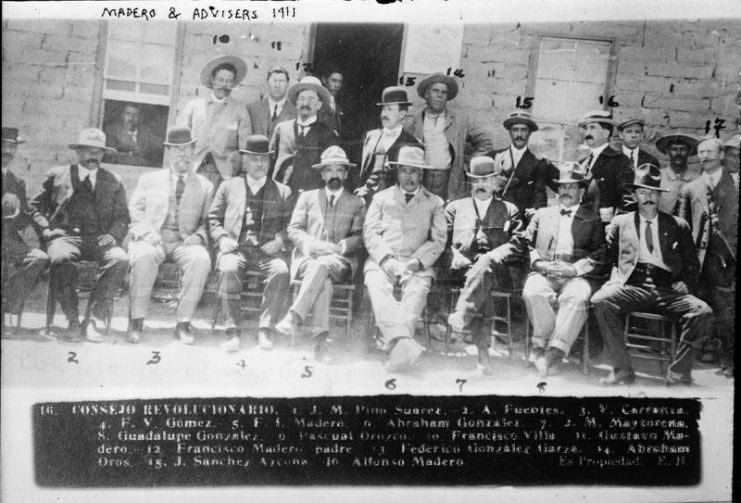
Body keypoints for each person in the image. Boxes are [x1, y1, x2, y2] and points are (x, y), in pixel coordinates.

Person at [592, 163, 713, 385]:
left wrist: (685, 282)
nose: (648, 197)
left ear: (659, 196)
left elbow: (692, 264)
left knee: (702, 312)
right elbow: (607, 258)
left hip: (667, 289)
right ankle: (622, 370)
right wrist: (613, 280)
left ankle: (678, 374)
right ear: (635, 195)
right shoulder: (621, 223)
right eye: (643, 192)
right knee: (600, 301)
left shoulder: (678, 225)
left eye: (653, 192)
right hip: (632, 285)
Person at [32, 128, 130, 342]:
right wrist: (47, 230)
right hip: (65, 237)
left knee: (120, 260)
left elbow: (123, 216)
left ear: (103, 155)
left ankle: (93, 319)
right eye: (88, 151)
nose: (93, 156)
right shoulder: (57, 175)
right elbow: (35, 207)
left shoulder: (113, 180)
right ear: (78, 152)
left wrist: (114, 234)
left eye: (98, 152)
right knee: (60, 259)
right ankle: (72, 319)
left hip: (99, 239)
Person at [275, 146, 366, 363]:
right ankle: (320, 343)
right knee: (322, 278)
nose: (334, 174)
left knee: (323, 267)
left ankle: (294, 315)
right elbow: (294, 229)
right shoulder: (307, 198)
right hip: (309, 259)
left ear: (345, 174)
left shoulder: (357, 203)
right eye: (329, 170)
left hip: (340, 262)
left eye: (339, 170)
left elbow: (360, 236)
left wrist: (339, 247)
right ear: (322, 174)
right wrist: (312, 245)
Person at [126, 126, 214, 344]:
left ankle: (183, 323)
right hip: (153, 238)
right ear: (168, 152)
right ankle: (136, 321)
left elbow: (210, 221)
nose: (182, 154)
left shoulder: (205, 185)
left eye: (187, 149)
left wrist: (200, 237)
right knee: (143, 256)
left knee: (201, 259)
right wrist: (147, 232)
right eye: (177, 149)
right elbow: (135, 211)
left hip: (184, 241)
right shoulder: (149, 179)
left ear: (194, 152)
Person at [363, 145, 447, 372]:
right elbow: (369, 232)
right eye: (404, 171)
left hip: (417, 262)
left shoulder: (434, 202)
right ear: (397, 172)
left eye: (414, 171)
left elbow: (438, 240)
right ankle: (403, 347)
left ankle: (398, 349)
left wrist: (417, 262)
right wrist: (386, 259)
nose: (409, 177)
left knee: (416, 292)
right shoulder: (381, 198)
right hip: (384, 261)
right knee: (377, 285)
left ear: (422, 174)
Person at [208, 135, 293, 352]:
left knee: (281, 271)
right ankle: (232, 331)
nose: (260, 164)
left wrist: (279, 240)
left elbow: (291, 225)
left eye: (264, 159)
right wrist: (222, 238)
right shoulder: (228, 186)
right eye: (254, 159)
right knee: (228, 269)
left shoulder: (282, 191)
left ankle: (265, 329)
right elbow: (213, 219)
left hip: (266, 251)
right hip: (235, 248)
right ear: (244, 161)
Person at [444, 156, 526, 374]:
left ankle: (462, 314)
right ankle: (483, 356)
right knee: (482, 286)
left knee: (485, 267)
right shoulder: (455, 208)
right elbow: (440, 240)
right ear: (471, 182)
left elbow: (518, 244)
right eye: (476, 181)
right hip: (462, 270)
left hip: (496, 270)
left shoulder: (509, 210)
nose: (480, 185)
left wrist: (494, 255)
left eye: (486, 180)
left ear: (495, 182)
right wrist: (453, 254)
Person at [522, 163, 605, 377]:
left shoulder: (592, 219)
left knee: (577, 298)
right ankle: (542, 346)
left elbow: (599, 255)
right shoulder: (542, 214)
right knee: (533, 291)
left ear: (582, 191)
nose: (565, 191)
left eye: (571, 187)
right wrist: (539, 264)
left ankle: (553, 353)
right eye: (562, 187)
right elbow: (526, 245)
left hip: (575, 274)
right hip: (545, 270)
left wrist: (574, 270)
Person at [677, 138, 737, 377]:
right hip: (699, 259)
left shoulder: (735, 183)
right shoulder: (690, 188)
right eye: (701, 152)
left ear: (721, 154)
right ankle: (690, 359)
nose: (705, 156)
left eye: (710, 152)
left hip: (726, 259)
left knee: (726, 313)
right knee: (698, 309)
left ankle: (729, 362)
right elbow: (682, 226)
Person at [404, 73, 492, 201]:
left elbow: (485, 142)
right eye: (435, 91)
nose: (439, 95)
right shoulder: (413, 121)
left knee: (445, 215)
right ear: (427, 94)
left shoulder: (460, 121)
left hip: (448, 179)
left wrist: (466, 163)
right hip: (422, 177)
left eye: (444, 92)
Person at [1, 127, 49, 335]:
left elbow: (22, 223)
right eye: (3, 145)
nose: (7, 151)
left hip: (8, 240)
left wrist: (16, 207)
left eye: (12, 147)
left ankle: (4, 306)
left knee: (38, 258)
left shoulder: (15, 181)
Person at [180, 55, 251, 188]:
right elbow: (182, 142)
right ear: (212, 80)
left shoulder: (240, 111)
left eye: (229, 81)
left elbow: (245, 150)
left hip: (225, 174)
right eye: (221, 80)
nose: (224, 85)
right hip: (195, 168)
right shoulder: (194, 107)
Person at [271, 76, 338, 194]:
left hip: (310, 198)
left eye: (311, 99)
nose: (305, 103)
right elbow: (271, 162)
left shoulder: (328, 135)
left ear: (319, 105)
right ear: (296, 103)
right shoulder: (282, 129)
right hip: (280, 195)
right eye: (301, 99)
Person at [355, 86, 422, 202]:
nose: (384, 114)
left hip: (395, 204)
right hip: (367, 200)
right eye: (383, 109)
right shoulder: (369, 137)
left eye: (390, 109)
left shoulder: (412, 143)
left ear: (402, 114)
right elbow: (359, 169)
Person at [485, 111, 554, 221]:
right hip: (493, 219)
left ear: (530, 133)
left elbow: (539, 196)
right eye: (515, 130)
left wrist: (536, 212)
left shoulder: (537, 163)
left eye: (524, 130)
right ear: (509, 132)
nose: (519, 135)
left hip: (520, 221)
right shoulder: (494, 157)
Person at [578, 110, 634, 223]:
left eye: (592, 128)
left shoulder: (620, 161)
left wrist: (615, 225)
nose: (587, 133)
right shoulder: (582, 162)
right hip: (580, 225)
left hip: (603, 228)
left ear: (606, 132)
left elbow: (627, 201)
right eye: (586, 128)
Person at [103, 102, 164, 166]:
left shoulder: (146, 131)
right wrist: (131, 153)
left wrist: (135, 149)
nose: (131, 118)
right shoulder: (113, 130)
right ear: (122, 116)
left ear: (140, 118)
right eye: (128, 114)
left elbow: (158, 149)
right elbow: (110, 155)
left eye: (135, 115)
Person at [246, 65, 297, 141]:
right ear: (268, 83)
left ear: (288, 84)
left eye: (281, 81)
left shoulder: (295, 113)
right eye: (274, 80)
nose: (277, 85)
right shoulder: (251, 109)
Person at [654, 133, 699, 214]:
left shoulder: (698, 179)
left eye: (683, 149)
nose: (678, 153)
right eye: (674, 149)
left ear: (690, 152)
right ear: (667, 152)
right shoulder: (657, 176)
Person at [320, 66, 344, 136]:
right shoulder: (318, 103)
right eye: (334, 81)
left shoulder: (338, 106)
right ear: (324, 80)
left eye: (340, 82)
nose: (337, 85)